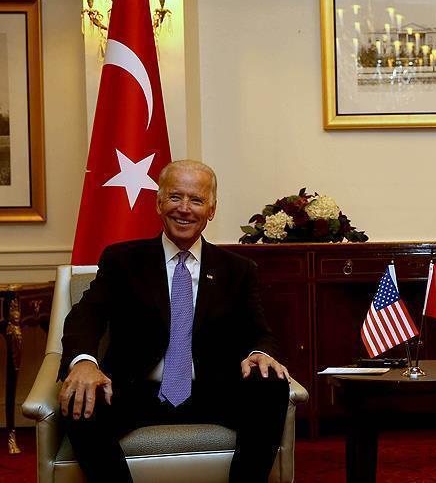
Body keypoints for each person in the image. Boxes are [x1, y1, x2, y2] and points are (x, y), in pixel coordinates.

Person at [58, 160, 291, 483]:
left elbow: (258, 330)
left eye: (196, 200)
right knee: (81, 395)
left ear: (211, 210)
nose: (184, 208)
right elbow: (86, 315)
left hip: (212, 390)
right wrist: (83, 362)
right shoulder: (122, 260)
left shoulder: (238, 269)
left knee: (270, 385)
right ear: (158, 203)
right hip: (135, 390)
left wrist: (259, 352)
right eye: (175, 197)